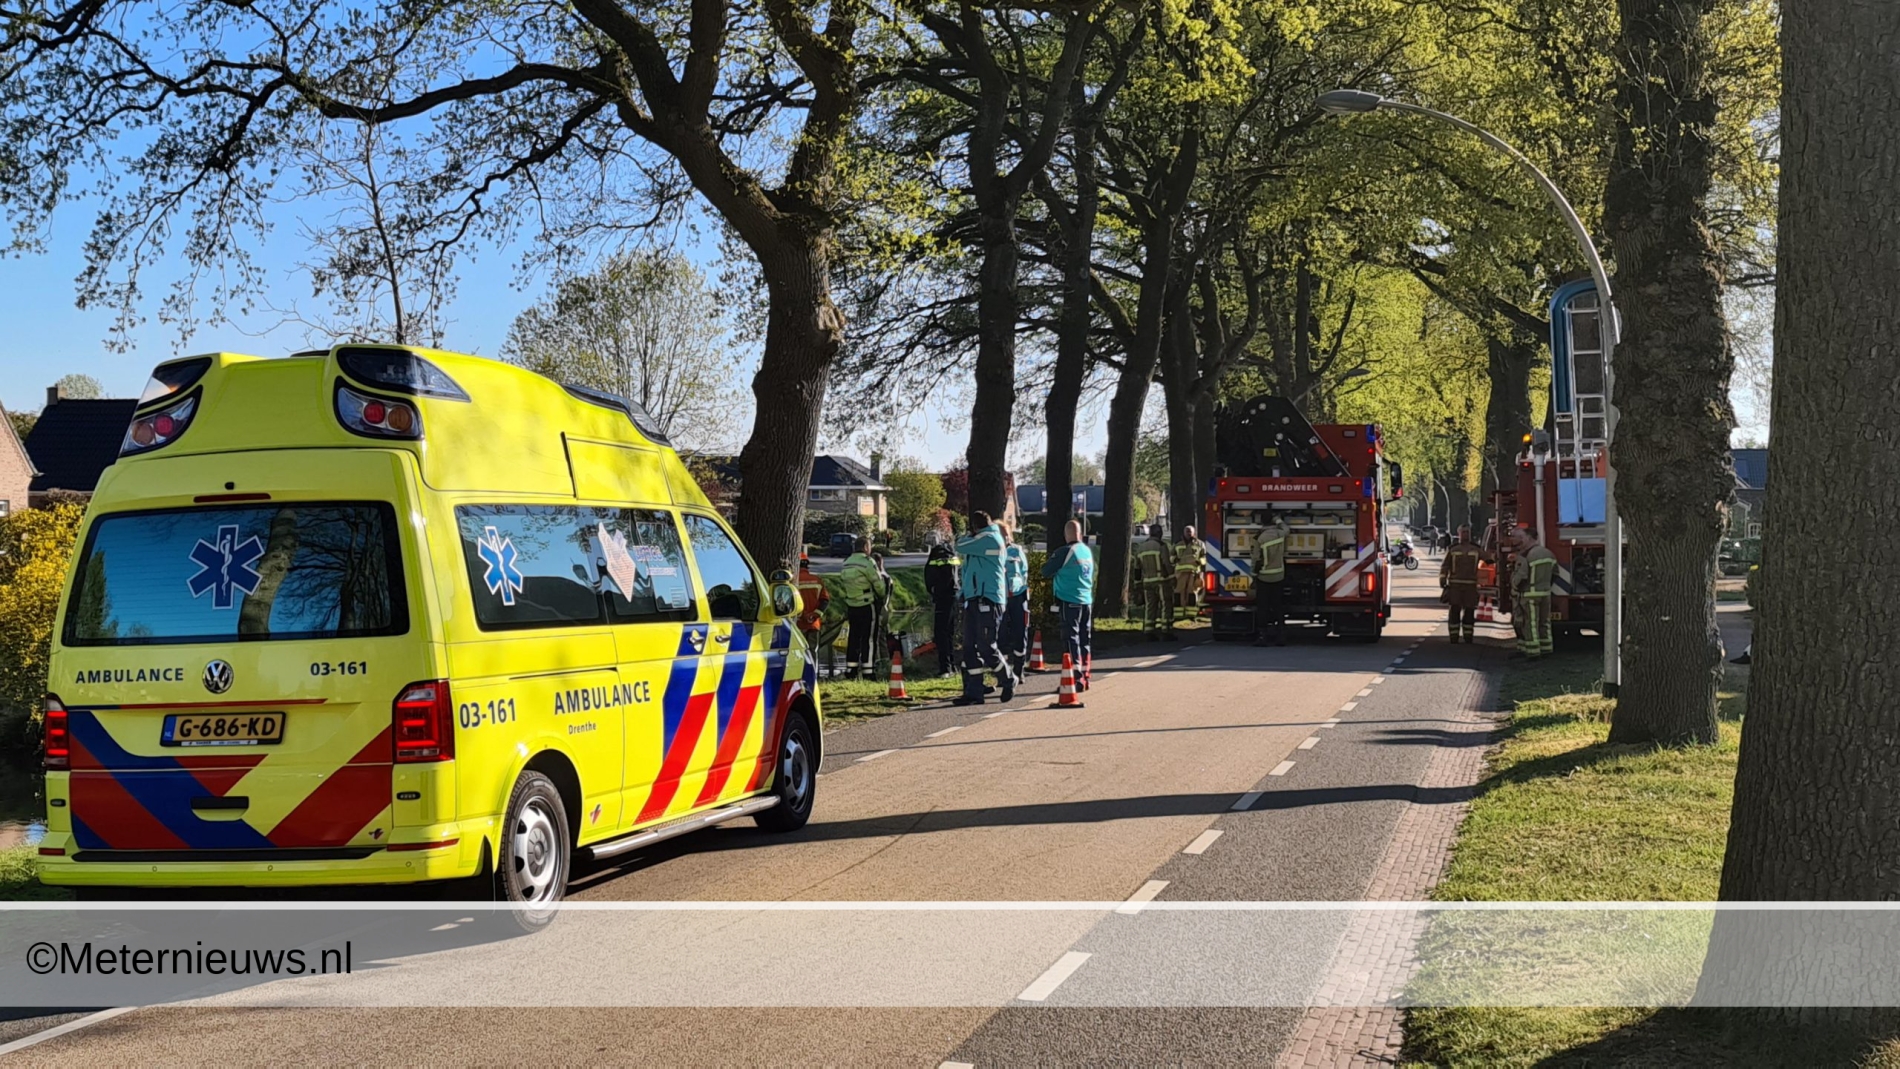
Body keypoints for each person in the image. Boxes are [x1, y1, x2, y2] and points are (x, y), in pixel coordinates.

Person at [952, 510, 1015, 705]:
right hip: (975, 597)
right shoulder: (983, 539)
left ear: (974, 526)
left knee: (986, 645)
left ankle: (1008, 678)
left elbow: (959, 545)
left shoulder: (988, 538)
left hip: (988, 599)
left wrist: (968, 535)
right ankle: (974, 692)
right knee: (969, 647)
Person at [1042, 518, 1095, 690]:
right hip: (1086, 600)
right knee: (1084, 639)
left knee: (1070, 639)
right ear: (1080, 534)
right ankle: (1085, 676)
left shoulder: (1065, 551)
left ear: (1066, 535)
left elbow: (1046, 571)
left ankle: (1075, 678)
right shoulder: (1086, 551)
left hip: (1069, 599)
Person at [838, 536, 888, 679]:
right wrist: (882, 595)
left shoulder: (846, 562)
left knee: (854, 637)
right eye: (869, 546)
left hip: (852, 605)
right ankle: (868, 671)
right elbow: (878, 584)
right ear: (866, 547)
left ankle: (851, 670)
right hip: (867, 605)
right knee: (869, 639)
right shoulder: (868, 562)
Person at [1510, 527, 1557, 659]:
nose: (1521, 541)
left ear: (1529, 538)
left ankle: (1533, 652)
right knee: (1544, 622)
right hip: (1545, 594)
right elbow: (1555, 573)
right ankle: (1547, 649)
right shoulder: (1549, 554)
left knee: (1530, 624)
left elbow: (1521, 577)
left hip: (1529, 596)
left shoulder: (1525, 556)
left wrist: (1514, 586)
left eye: (1523, 538)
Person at [1251, 510, 1290, 646]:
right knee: (1278, 606)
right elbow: (1286, 528)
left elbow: (1256, 559)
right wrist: (1278, 519)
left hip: (1263, 577)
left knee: (1263, 607)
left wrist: (1254, 576)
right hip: (1279, 575)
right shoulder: (1280, 533)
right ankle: (1281, 635)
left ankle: (1263, 636)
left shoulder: (1259, 538)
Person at [923, 541, 962, 676]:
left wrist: (933, 592)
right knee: (949, 632)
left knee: (940, 633)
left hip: (941, 597)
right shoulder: (953, 555)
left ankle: (945, 668)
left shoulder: (936, 556)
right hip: (954, 596)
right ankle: (952, 665)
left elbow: (929, 577)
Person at [999, 521, 1031, 678]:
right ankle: (1004, 674)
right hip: (1000, 598)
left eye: (1007, 534)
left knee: (1020, 632)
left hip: (1018, 597)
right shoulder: (993, 552)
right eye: (1001, 534)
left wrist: (1021, 585)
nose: (1005, 537)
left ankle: (1019, 669)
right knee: (1000, 635)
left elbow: (1024, 571)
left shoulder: (1016, 550)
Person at [1440, 524, 1483, 643]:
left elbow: (1489, 559)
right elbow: (1445, 565)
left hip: (1471, 586)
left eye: (1467, 532)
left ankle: (1468, 636)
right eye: (1463, 532)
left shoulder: (1476, 549)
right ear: (1458, 534)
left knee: (1469, 611)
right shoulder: (1453, 549)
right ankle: (1453, 637)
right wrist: (1442, 579)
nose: (1466, 534)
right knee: (1454, 610)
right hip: (1455, 586)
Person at [1134, 525, 1174, 640]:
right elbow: (1166, 563)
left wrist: (1137, 583)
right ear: (1159, 533)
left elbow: (1137, 568)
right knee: (1166, 605)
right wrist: (1172, 577)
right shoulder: (1161, 546)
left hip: (1147, 582)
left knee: (1150, 606)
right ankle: (1166, 631)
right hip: (1161, 581)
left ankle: (1148, 631)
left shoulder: (1141, 547)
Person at [795, 548, 831, 647]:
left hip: (797, 624)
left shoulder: (793, 581)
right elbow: (825, 600)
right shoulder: (817, 580)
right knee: (812, 652)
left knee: (798, 651)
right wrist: (814, 615)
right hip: (813, 623)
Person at [1172, 525, 1207, 622]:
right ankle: (1178, 615)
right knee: (1178, 593)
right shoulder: (1177, 544)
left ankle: (1191, 615)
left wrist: (1200, 562)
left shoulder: (1200, 544)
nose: (1188, 533)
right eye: (1186, 531)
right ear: (1183, 532)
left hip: (1194, 573)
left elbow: (1204, 557)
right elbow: (1171, 555)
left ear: (1194, 532)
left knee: (1192, 593)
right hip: (1180, 574)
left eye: (1190, 531)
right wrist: (1174, 559)